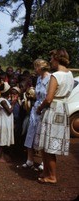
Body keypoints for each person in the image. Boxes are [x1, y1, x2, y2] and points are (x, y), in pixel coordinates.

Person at [35, 48, 74, 184]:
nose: (50, 61)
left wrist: (39, 108)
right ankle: (47, 172)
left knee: (48, 146)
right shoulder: (69, 74)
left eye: (51, 58)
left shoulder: (56, 75)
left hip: (53, 109)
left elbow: (49, 98)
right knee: (49, 145)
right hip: (62, 108)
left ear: (57, 58)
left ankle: (52, 176)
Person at [21, 59, 51, 170]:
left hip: (44, 108)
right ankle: (29, 160)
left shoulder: (50, 78)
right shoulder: (38, 78)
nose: (34, 69)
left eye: (35, 67)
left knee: (42, 134)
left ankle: (44, 161)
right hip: (35, 108)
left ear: (40, 67)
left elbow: (49, 96)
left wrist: (41, 107)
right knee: (31, 132)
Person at [0, 82, 16, 162]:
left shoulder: (4, 100)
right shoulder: (2, 100)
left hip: (6, 120)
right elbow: (9, 111)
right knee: (1, 138)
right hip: (3, 121)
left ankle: (1, 156)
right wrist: (13, 103)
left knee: (3, 137)